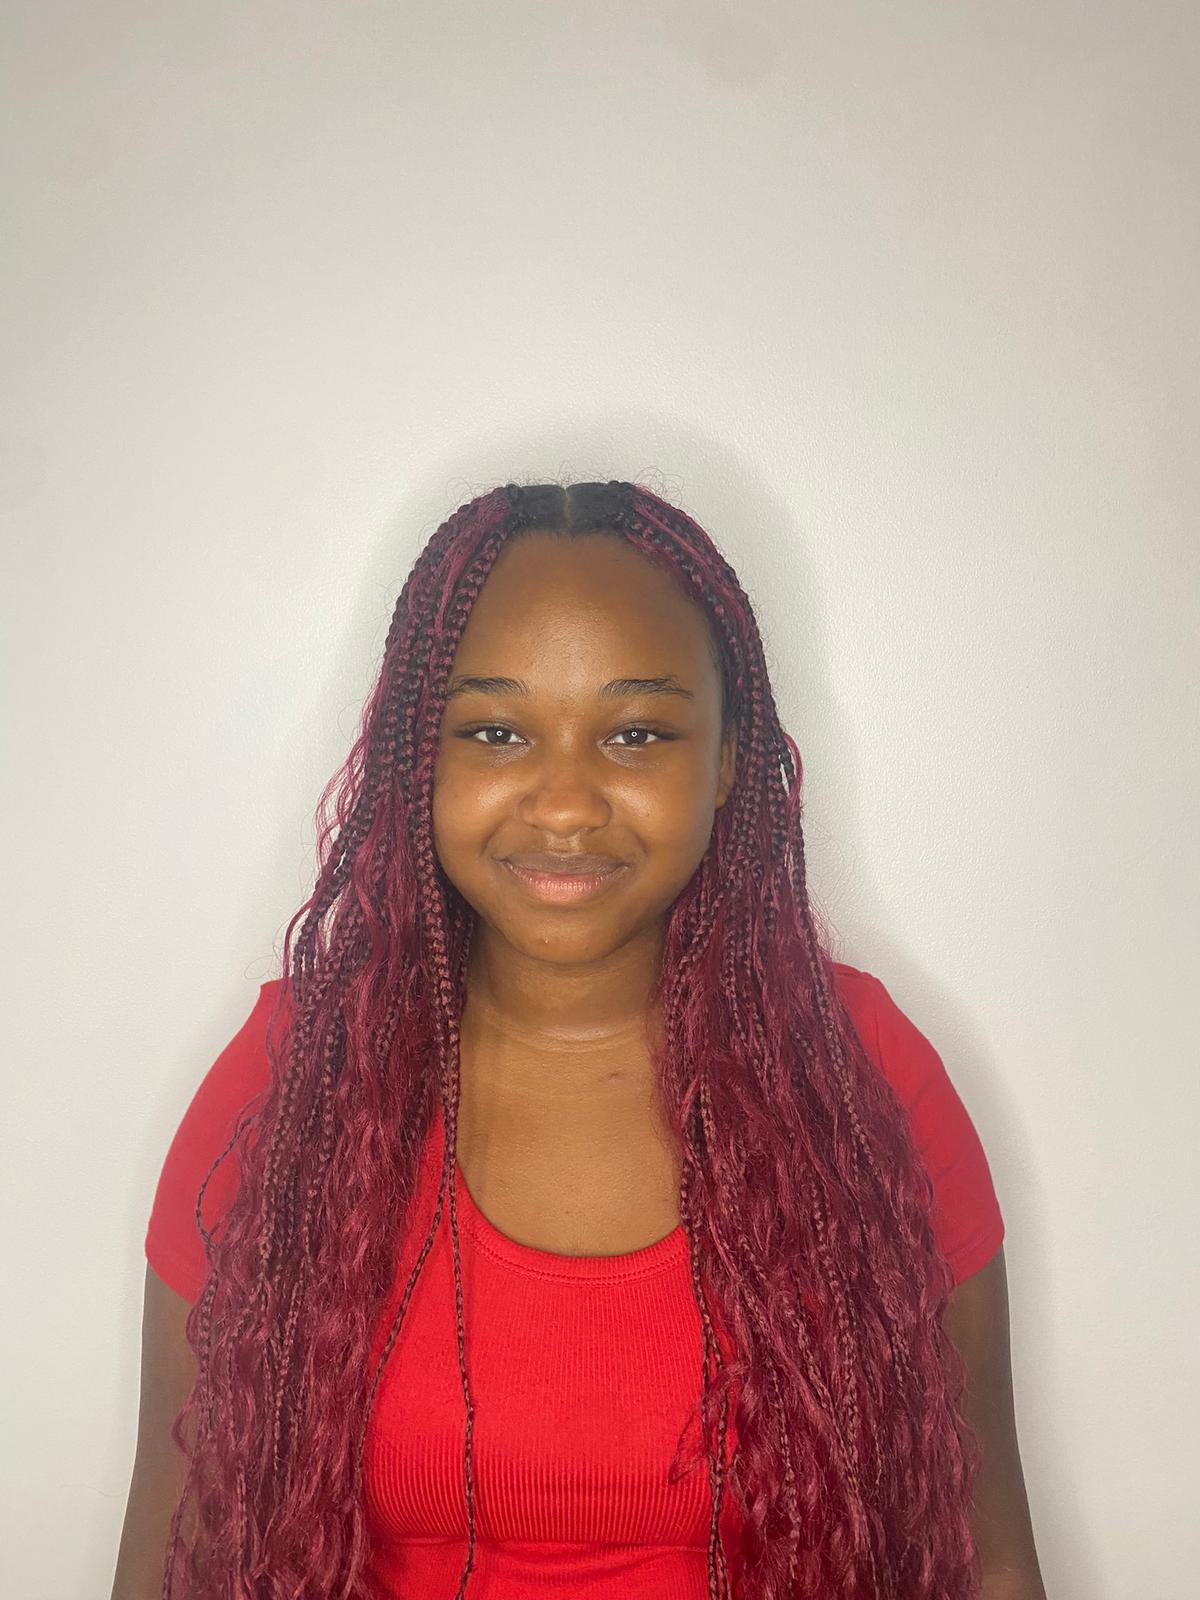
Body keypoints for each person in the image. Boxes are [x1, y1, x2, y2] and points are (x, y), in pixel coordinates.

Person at [111, 480, 1046, 1600]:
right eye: (496, 732)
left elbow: (985, 1547)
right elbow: (177, 1551)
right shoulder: (290, 1075)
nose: (564, 805)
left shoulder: (863, 1075)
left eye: (636, 733)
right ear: (421, 757)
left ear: (729, 759)